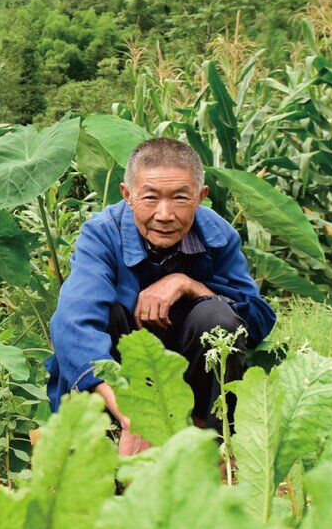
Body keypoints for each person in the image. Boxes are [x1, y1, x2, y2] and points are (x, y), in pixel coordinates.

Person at [45, 138, 276, 456]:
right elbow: (72, 326)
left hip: (190, 385)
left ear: (200, 198)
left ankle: (212, 449)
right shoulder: (102, 234)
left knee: (218, 318)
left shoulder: (219, 237)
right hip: (120, 393)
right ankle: (100, 448)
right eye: (150, 198)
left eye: (181, 198)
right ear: (128, 195)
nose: (164, 214)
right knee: (104, 316)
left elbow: (256, 320)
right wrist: (135, 419)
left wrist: (189, 284)